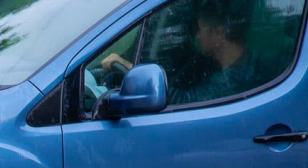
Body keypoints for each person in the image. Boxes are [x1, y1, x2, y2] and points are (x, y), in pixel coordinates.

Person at [101, 0, 261, 105]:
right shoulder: (231, 65)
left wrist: (130, 67)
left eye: (201, 29)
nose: (197, 36)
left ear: (218, 34)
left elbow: (186, 102)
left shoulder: (235, 79)